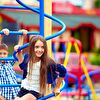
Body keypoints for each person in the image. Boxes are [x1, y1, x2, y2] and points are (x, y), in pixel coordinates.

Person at [14, 34, 66, 100]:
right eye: (37, 47)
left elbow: (63, 70)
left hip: (36, 92)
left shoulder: (47, 62)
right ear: (32, 47)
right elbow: (21, 63)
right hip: (24, 88)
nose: (40, 50)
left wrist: (57, 87)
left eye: (42, 47)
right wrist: (20, 40)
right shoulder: (28, 57)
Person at [0, 28, 27, 100]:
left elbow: (18, 51)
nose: (2, 55)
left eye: (4, 54)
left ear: (7, 54)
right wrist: (2, 35)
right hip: (3, 94)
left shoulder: (9, 62)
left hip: (14, 92)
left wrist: (21, 36)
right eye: (0, 54)